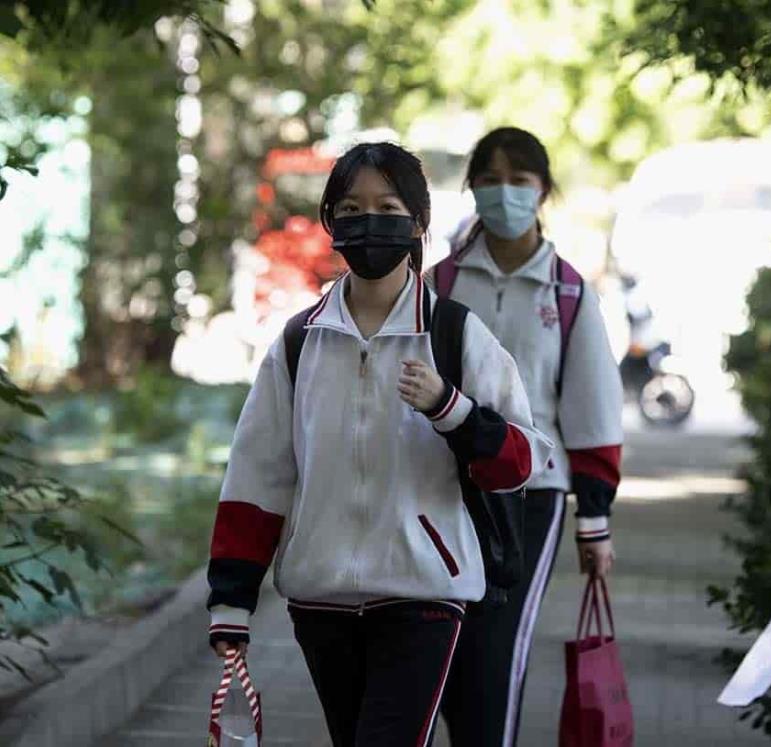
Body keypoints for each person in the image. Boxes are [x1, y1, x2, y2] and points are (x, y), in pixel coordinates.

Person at [205, 141, 552, 747]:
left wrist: (453, 409)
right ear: (330, 223)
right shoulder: (298, 343)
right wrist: (231, 601)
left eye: (388, 206)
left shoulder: (455, 334)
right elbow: (258, 477)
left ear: (418, 224)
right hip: (320, 602)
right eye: (350, 207)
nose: (368, 221)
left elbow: (520, 464)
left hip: (423, 594)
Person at [427, 127, 624, 746]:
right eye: (489, 179)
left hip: (531, 494)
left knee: (496, 651)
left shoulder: (568, 292)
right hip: (440, 487)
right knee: (441, 650)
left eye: (520, 180)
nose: (504, 193)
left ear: (543, 191)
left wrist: (593, 523)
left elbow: (593, 411)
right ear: (470, 190)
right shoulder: (440, 284)